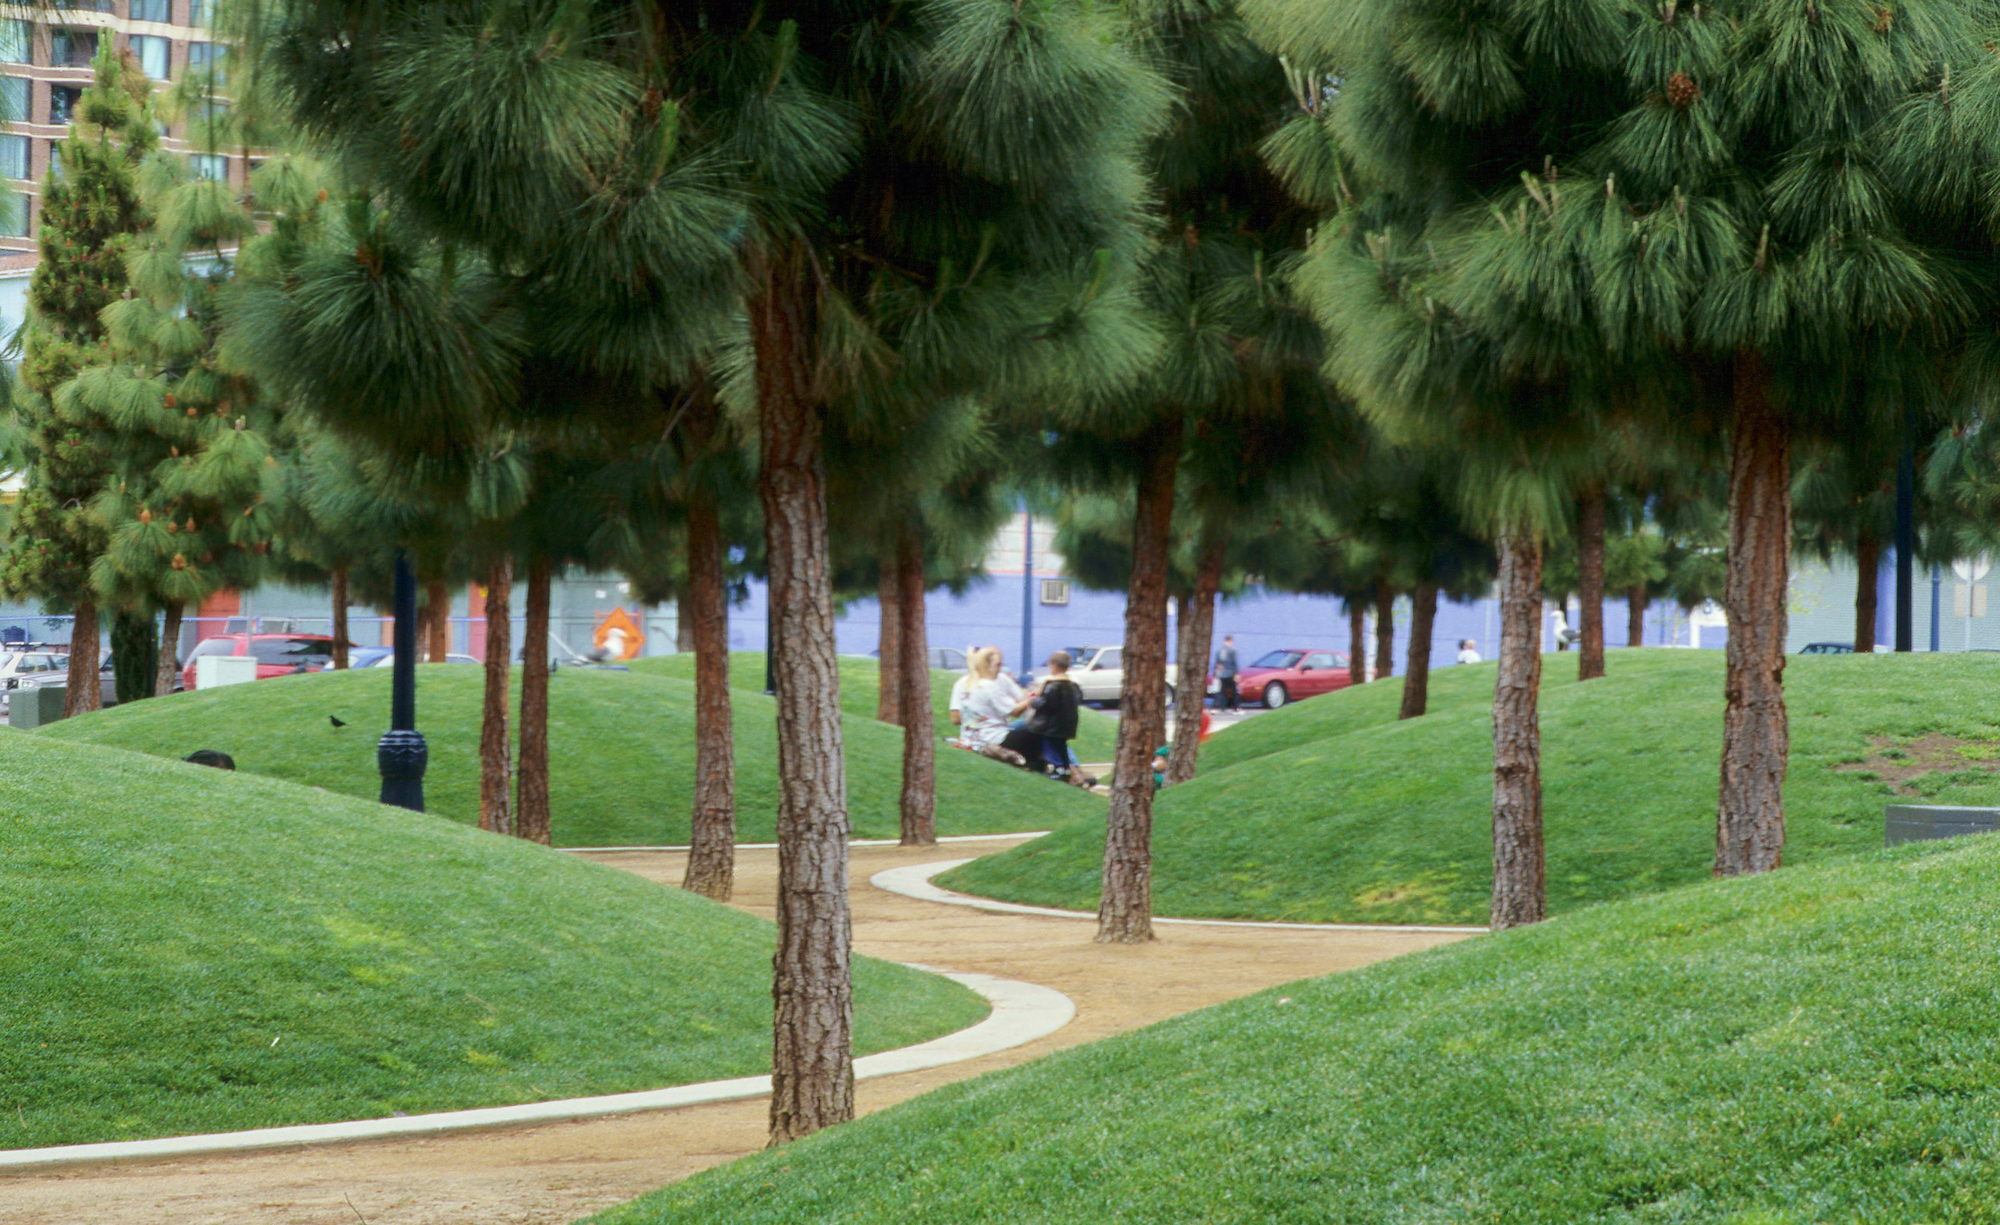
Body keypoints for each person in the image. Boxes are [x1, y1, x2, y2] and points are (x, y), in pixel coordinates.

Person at [1014, 650, 1083, 779]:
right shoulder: (1073, 686)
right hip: (1066, 725)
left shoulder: (1053, 686)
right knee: (1061, 747)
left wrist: (1033, 701)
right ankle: (1065, 768)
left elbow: (1046, 704)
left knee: (1050, 747)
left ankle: (1056, 768)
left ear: (1053, 665)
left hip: (1051, 726)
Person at [1215, 635, 1239, 712]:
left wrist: (1216, 673)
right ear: (1231, 641)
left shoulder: (1220, 650)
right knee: (1234, 691)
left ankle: (1222, 707)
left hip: (1222, 673)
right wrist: (1236, 673)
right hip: (1231, 673)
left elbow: (1218, 663)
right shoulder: (1233, 650)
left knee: (1223, 691)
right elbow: (1234, 662)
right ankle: (1235, 707)